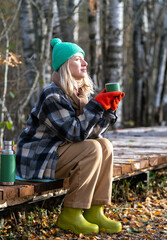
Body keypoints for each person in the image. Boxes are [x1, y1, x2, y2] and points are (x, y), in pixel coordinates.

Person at [16, 38, 125, 235]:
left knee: (105, 144)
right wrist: (97, 106)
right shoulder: (52, 96)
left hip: (58, 152)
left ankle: (94, 210)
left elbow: (90, 133)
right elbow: (75, 133)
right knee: (91, 149)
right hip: (38, 158)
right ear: (65, 65)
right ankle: (71, 213)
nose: (85, 63)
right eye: (78, 59)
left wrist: (107, 111)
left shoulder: (79, 95)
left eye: (83, 59)